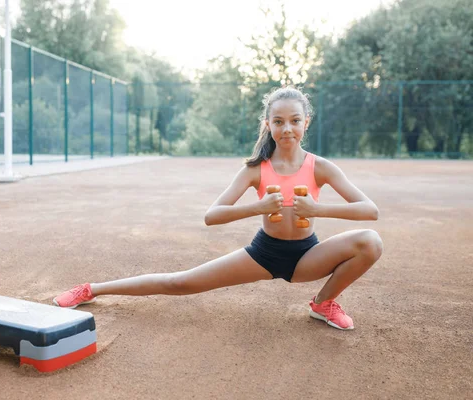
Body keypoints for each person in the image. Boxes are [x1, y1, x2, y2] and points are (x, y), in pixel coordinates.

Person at [53, 86, 383, 331]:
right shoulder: (256, 168)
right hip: (263, 254)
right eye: (279, 121)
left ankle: (322, 304)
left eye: (294, 120)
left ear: (305, 123)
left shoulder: (319, 167)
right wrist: (260, 207)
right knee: (178, 283)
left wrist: (315, 209)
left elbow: (369, 209)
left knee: (370, 241)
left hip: (307, 257)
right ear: (268, 124)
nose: (287, 129)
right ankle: (91, 289)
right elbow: (212, 216)